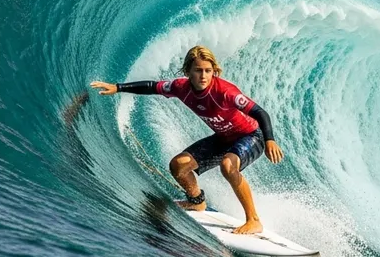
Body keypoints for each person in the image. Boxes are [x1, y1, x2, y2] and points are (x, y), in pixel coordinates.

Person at [91, 46, 283, 235]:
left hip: (251, 136)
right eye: (198, 70)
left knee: (227, 165)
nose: (203, 76)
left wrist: (270, 140)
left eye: (208, 71)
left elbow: (260, 112)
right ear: (188, 71)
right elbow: (152, 87)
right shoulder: (180, 87)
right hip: (224, 138)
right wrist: (117, 87)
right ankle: (196, 201)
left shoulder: (225, 92)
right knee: (178, 166)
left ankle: (254, 220)